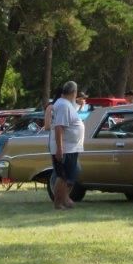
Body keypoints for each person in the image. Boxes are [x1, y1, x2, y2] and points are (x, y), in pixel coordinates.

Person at [49, 80, 84, 210]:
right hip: (66, 148)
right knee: (63, 177)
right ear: (74, 92)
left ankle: (65, 200)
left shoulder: (65, 104)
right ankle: (58, 203)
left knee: (69, 176)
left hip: (71, 148)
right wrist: (60, 148)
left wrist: (79, 105)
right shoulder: (63, 105)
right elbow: (59, 128)